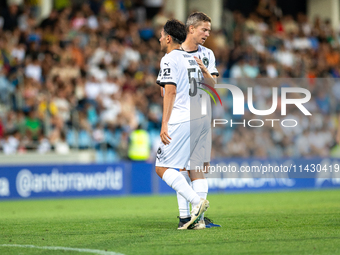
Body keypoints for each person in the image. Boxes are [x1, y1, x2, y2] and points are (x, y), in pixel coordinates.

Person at [155, 19, 209, 230]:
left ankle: (197, 203)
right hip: (198, 117)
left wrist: (164, 124)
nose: (159, 38)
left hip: (181, 118)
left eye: (161, 35)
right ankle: (190, 220)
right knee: (183, 168)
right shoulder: (191, 58)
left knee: (161, 168)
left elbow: (170, 91)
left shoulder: (169, 58)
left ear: (168, 38)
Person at [177, 12, 221, 229]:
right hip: (182, 116)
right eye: (204, 29)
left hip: (201, 116)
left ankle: (196, 218)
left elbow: (214, 85)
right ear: (191, 28)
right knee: (180, 167)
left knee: (198, 166)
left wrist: (204, 70)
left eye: (209, 31)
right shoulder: (175, 55)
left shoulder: (208, 54)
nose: (207, 34)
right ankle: (187, 216)